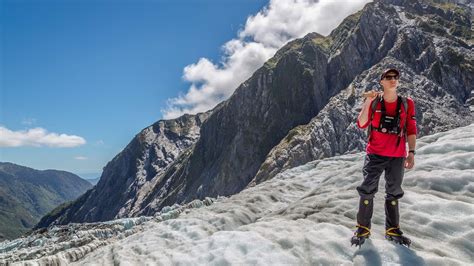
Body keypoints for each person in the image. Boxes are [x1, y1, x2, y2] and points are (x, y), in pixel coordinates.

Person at [350, 68, 417, 248]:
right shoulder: (374, 103)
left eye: (395, 77)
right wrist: (368, 101)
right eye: (389, 77)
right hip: (375, 154)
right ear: (381, 81)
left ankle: (392, 230)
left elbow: (411, 129)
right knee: (367, 188)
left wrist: (411, 152)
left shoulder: (407, 103)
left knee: (394, 190)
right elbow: (362, 123)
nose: (393, 80)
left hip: (397, 156)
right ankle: (363, 228)